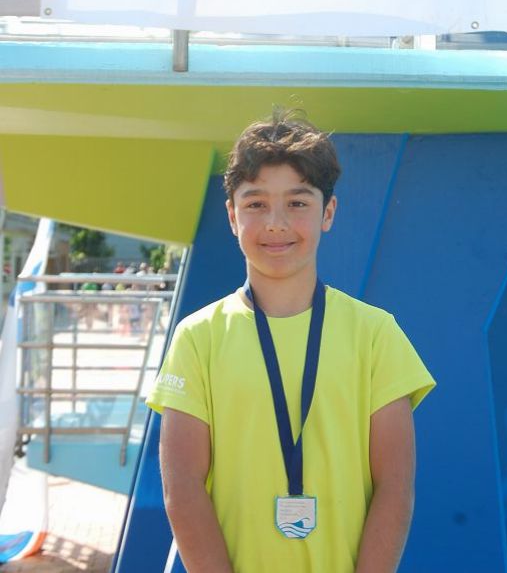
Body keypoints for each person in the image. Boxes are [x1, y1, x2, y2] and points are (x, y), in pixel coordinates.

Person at [146, 110, 436, 573]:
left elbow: (395, 487)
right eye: (256, 204)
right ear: (232, 216)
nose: (276, 223)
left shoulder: (376, 334)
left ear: (328, 213)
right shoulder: (198, 338)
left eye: (298, 203)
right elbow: (182, 487)